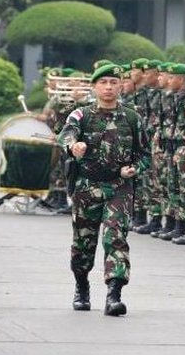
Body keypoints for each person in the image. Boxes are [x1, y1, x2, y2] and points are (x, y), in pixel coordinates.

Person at [58, 63, 151, 316]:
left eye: (113, 82)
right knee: (83, 243)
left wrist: (134, 169)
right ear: (94, 86)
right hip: (87, 187)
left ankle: (114, 295)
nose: (109, 87)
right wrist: (73, 146)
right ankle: (81, 286)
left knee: (116, 238)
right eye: (103, 83)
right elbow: (66, 135)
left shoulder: (132, 118)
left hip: (119, 187)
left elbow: (145, 155)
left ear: (121, 85)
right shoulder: (81, 115)